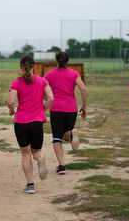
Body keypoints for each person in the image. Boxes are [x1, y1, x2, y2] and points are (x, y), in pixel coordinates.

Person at [7, 55, 53, 194]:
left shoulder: (16, 83)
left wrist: (11, 110)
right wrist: (42, 109)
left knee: (25, 154)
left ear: (21, 66)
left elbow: (10, 101)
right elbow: (51, 98)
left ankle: (30, 185)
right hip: (36, 121)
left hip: (21, 122)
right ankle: (40, 159)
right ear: (34, 66)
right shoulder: (42, 81)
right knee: (36, 151)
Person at [44, 52, 87, 175]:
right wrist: (84, 106)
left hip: (56, 108)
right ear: (68, 61)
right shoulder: (74, 73)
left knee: (57, 138)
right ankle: (73, 135)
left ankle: (62, 166)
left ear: (56, 61)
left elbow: (41, 87)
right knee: (66, 134)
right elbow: (83, 89)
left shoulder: (49, 74)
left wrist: (45, 99)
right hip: (71, 108)